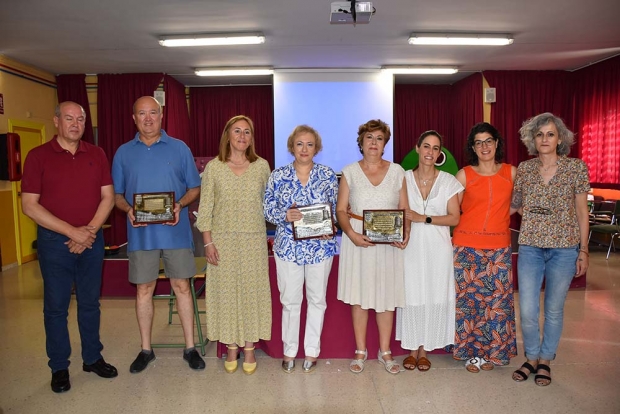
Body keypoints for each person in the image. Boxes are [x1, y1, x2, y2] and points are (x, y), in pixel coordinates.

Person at [21, 101, 118, 393]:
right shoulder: (37, 156)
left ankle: (92, 358)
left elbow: (108, 197)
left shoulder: (97, 154)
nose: (75, 124)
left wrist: (87, 233)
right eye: (69, 118)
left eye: (80, 119)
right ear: (56, 121)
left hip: (91, 240)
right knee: (56, 308)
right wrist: (72, 233)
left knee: (90, 304)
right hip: (54, 243)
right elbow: (29, 206)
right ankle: (59, 367)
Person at [112, 96, 204, 373]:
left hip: (175, 233)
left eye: (153, 112)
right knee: (144, 290)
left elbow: (194, 188)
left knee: (182, 287)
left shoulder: (179, 149)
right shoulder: (123, 153)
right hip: (141, 236)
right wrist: (128, 209)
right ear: (134, 118)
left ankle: (190, 348)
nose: (148, 118)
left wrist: (179, 205)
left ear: (162, 115)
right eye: (142, 113)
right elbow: (116, 195)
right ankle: (145, 349)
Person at [510, 112, 590, 386]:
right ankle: (531, 357)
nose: (544, 139)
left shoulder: (576, 168)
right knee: (528, 309)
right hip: (530, 247)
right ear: (532, 139)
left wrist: (584, 250)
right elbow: (515, 204)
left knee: (554, 309)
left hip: (565, 249)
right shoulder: (525, 169)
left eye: (550, 134)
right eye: (540, 134)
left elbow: (582, 212)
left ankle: (545, 360)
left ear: (560, 139)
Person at [196, 115, 272, 375]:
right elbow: (205, 208)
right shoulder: (214, 168)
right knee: (226, 294)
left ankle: (249, 346)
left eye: (247, 132)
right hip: (222, 241)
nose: (242, 136)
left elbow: (269, 206)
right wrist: (208, 243)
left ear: (252, 137)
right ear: (227, 135)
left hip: (253, 240)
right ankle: (230, 345)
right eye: (237, 131)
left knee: (252, 293)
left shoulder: (262, 166)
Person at [264, 125, 338, 374]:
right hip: (288, 248)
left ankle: (312, 351)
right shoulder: (278, 175)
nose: (304, 149)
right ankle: (289, 350)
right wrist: (284, 214)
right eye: (299, 144)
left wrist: (332, 226)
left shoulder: (328, 175)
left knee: (317, 300)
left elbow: (336, 210)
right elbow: (267, 209)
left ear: (316, 148)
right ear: (291, 147)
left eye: (309, 144)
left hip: (320, 248)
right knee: (290, 301)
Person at [336, 119, 409, 375]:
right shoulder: (349, 172)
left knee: (386, 298)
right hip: (358, 242)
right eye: (369, 138)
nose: (374, 143)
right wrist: (352, 234)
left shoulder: (398, 172)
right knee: (360, 297)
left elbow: (404, 210)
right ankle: (360, 350)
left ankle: (385, 351)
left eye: (379, 138)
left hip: (388, 244)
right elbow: (340, 210)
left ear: (385, 143)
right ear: (361, 142)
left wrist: (405, 233)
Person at [451, 123, 518, 373]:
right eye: (478, 142)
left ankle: (494, 352)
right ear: (473, 148)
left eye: (488, 141)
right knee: (470, 304)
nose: (484, 146)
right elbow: (453, 210)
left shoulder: (511, 173)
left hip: (498, 247)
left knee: (497, 303)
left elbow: (520, 205)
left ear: (497, 143)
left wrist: (501, 216)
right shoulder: (464, 174)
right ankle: (471, 353)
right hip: (467, 247)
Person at [396, 130, 462, 372]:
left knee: (433, 294)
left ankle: (425, 350)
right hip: (411, 247)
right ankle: (412, 347)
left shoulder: (448, 181)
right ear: (417, 148)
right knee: (413, 294)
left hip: (438, 247)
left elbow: (454, 217)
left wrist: (424, 218)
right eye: (426, 146)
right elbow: (399, 212)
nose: (430, 152)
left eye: (435, 148)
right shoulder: (402, 178)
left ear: (439, 153)